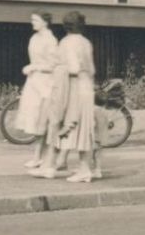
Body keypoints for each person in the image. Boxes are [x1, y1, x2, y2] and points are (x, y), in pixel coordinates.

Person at [49, 12, 99, 182]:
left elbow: (73, 68)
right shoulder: (86, 42)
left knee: (74, 126)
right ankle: (84, 167)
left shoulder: (66, 42)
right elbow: (91, 69)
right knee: (84, 129)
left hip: (74, 87)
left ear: (66, 26)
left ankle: (84, 170)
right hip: (87, 88)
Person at [15, 12, 58, 170]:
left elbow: (53, 65)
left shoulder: (50, 40)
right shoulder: (34, 38)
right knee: (36, 120)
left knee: (43, 120)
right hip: (34, 82)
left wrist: (34, 67)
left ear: (45, 22)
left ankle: (41, 157)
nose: (32, 22)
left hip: (45, 82)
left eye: (36, 20)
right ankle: (39, 156)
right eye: (32, 19)